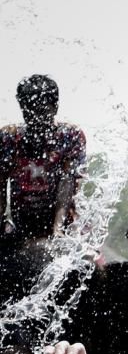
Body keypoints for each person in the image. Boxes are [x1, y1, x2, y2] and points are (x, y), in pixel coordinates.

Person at [0, 74, 86, 245]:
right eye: (27, 111)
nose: (34, 119)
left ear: (55, 108)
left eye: (40, 111)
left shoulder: (69, 137)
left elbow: (67, 184)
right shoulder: (8, 138)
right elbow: (0, 184)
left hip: (63, 223)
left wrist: (58, 230)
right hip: (21, 225)